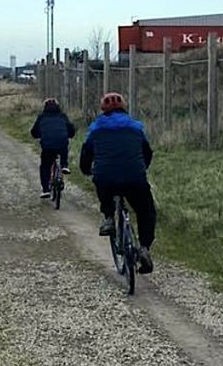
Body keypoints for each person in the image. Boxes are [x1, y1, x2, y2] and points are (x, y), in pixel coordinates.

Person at [79, 92, 156, 273]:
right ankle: (144, 247)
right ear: (124, 108)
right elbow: (148, 153)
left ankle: (108, 218)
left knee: (102, 183)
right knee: (146, 211)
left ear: (103, 110)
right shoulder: (136, 127)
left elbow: (86, 155)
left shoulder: (95, 128)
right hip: (134, 177)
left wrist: (86, 171)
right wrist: (141, 168)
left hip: (105, 177)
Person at [29, 98, 76, 198]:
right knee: (64, 147)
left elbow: (34, 132)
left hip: (47, 145)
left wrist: (39, 135)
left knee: (45, 166)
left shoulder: (41, 117)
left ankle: (46, 189)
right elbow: (71, 129)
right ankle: (64, 165)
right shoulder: (63, 116)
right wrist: (70, 134)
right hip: (62, 142)